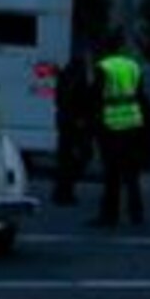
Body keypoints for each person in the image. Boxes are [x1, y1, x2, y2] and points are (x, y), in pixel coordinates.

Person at [88, 28, 148, 228]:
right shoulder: (133, 66)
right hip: (132, 123)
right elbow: (140, 94)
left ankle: (109, 214)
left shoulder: (103, 67)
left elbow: (95, 97)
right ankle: (136, 213)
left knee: (112, 174)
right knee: (132, 174)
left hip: (111, 125)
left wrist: (92, 122)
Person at [51, 46, 95, 205]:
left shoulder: (65, 74)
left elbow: (58, 98)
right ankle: (65, 191)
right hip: (75, 121)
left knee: (65, 157)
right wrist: (82, 118)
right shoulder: (81, 76)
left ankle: (62, 191)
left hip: (65, 120)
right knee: (79, 156)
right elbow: (83, 99)